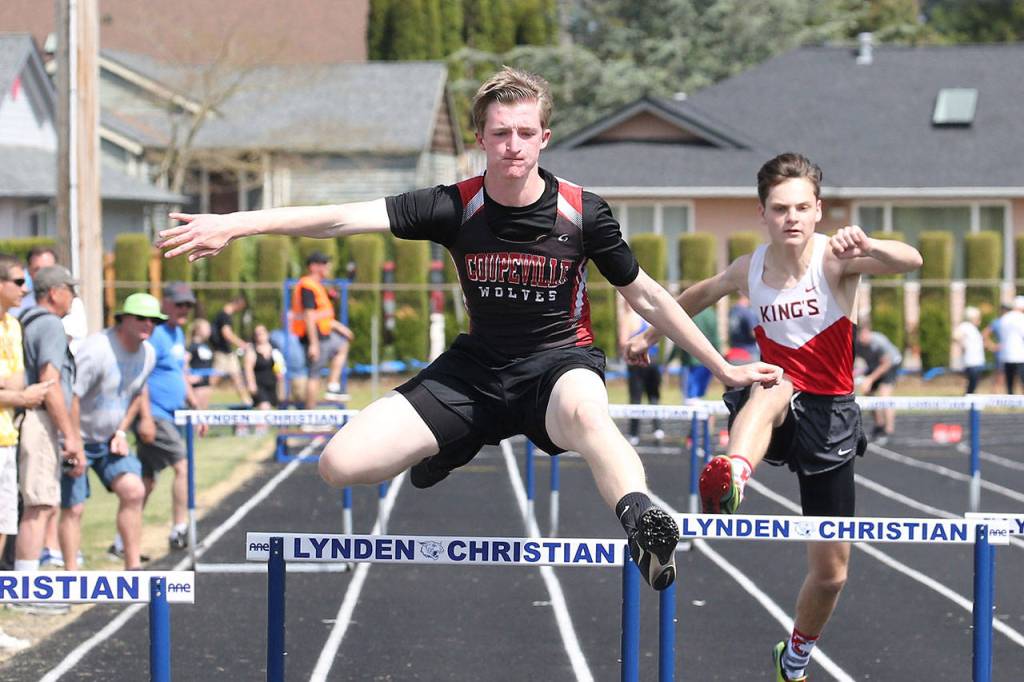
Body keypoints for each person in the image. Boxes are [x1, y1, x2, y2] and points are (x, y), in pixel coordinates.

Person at [159, 67, 782, 592]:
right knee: (339, 464)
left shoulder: (582, 211)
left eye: (525, 133)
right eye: (500, 133)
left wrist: (723, 367)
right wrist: (237, 223)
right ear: (482, 139)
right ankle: (456, 440)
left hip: (558, 367)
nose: (513, 145)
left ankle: (643, 519)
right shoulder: (453, 205)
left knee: (592, 417)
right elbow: (341, 221)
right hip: (476, 370)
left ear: (544, 138)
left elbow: (643, 292)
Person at [625, 152, 921, 680]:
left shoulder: (836, 259)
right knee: (774, 384)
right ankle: (734, 474)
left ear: (818, 211)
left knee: (831, 574)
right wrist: (649, 333)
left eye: (802, 208)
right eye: (781, 208)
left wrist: (872, 245)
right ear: (762, 213)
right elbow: (699, 293)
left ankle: (795, 658)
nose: (792, 218)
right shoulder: (750, 268)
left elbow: (911, 260)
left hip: (831, 416)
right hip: (774, 405)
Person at [62, 293, 159, 571]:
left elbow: (137, 393)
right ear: (123, 320)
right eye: (141, 318)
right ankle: (71, 577)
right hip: (76, 437)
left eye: (154, 320)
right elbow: (73, 397)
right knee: (74, 507)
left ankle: (132, 568)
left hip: (108, 439)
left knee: (134, 490)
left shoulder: (148, 353)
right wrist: (74, 444)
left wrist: (121, 430)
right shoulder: (97, 350)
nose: (148, 324)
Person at [12, 266, 82, 615]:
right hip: (40, 421)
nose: (73, 295)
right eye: (69, 289)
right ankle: (27, 593)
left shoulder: (27, 320)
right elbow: (50, 383)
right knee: (38, 506)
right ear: (53, 292)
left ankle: (26, 586)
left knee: (36, 505)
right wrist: (70, 435)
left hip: (32, 420)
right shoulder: (51, 324)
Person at [0, 254, 50, 650]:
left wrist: (11, 392)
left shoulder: (14, 325)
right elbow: (19, 389)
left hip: (6, 439)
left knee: (4, 530)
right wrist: (18, 395)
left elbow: (13, 379)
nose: (25, 289)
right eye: (18, 281)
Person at [132, 282, 201, 552]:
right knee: (183, 466)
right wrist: (146, 417)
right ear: (167, 304)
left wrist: (195, 405)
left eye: (189, 305)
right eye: (180, 304)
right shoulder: (156, 335)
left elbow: (180, 371)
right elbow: (142, 378)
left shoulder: (177, 333)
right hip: (156, 416)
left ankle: (120, 540)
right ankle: (179, 529)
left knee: (145, 481)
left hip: (172, 415)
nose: (185, 310)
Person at [291, 252, 354, 407]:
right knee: (314, 376)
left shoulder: (318, 286)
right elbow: (309, 315)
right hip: (314, 337)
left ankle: (332, 386)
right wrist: (313, 344)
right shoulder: (307, 285)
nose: (328, 267)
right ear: (313, 267)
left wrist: (339, 327)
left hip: (324, 335)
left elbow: (324, 314)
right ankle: (310, 418)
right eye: (324, 263)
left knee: (342, 344)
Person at [616, 294, 663, 445]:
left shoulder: (628, 318)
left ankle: (634, 433)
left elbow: (623, 341)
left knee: (636, 397)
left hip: (637, 361)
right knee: (653, 396)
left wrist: (626, 350)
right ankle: (657, 430)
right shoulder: (649, 316)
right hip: (653, 361)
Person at [854, 322, 902, 442]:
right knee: (867, 393)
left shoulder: (879, 342)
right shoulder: (857, 344)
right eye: (861, 335)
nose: (863, 338)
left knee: (884, 394)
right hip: (874, 366)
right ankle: (879, 425)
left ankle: (889, 430)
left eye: (865, 334)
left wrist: (870, 379)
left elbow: (886, 364)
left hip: (890, 365)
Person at [209, 294, 252, 405]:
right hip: (222, 354)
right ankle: (200, 403)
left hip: (227, 353)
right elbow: (226, 334)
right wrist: (242, 344)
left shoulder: (222, 315)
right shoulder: (225, 316)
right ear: (238, 304)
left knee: (237, 377)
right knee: (213, 380)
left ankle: (247, 403)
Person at [244, 324, 285, 410]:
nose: (260, 336)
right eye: (258, 334)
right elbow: (248, 369)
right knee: (264, 409)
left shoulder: (275, 349)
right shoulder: (252, 350)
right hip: (259, 386)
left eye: (262, 333)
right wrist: (251, 383)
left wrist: (279, 374)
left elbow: (279, 365)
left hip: (273, 385)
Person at [993, 296, 1024, 394]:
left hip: (1006, 354)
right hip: (1020, 355)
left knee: (1009, 381)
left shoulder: (1004, 318)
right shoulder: (1021, 318)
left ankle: (1011, 400)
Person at [952, 306, 986, 394]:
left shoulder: (973, 328)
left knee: (974, 385)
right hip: (971, 361)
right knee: (972, 385)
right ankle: (968, 403)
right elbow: (956, 336)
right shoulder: (965, 326)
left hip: (977, 361)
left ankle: (971, 404)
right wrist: (963, 345)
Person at [186, 318, 214, 410]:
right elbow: (184, 362)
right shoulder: (192, 346)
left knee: (204, 416)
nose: (209, 330)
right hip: (196, 387)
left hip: (206, 385)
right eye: (207, 328)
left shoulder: (206, 345)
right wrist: (189, 376)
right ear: (198, 330)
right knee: (196, 415)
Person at [727, 293, 759, 362]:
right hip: (749, 352)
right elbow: (753, 333)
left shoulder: (733, 310)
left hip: (734, 351)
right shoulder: (748, 313)